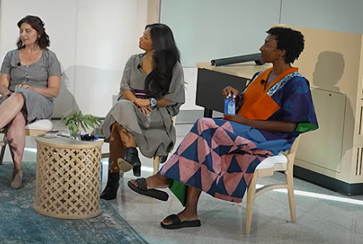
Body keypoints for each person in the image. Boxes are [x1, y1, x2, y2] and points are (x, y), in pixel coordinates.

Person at [127, 27, 318, 230]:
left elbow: (291, 125)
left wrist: (247, 123)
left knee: (204, 125)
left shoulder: (296, 84)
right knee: (202, 143)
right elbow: (243, 109)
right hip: (243, 130)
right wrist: (235, 97)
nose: (261, 47)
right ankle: (189, 212)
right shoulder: (262, 76)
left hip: (268, 138)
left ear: (282, 52)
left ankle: (165, 178)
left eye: (268, 44)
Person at [99, 23, 185, 200]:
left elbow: (174, 97)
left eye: (145, 37)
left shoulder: (173, 66)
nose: (140, 39)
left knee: (119, 118)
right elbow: (124, 87)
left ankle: (123, 165)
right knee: (122, 112)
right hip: (131, 107)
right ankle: (120, 170)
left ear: (157, 43)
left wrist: (150, 102)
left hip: (155, 114)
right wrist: (136, 101)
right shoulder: (133, 60)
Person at [0, 16, 61, 189]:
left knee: (21, 94)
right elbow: (2, 85)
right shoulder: (11, 55)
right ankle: (17, 169)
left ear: (39, 33)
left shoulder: (49, 58)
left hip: (40, 102)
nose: (23, 34)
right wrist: (7, 92)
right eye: (21, 31)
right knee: (17, 118)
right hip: (12, 101)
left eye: (28, 31)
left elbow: (54, 91)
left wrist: (31, 90)